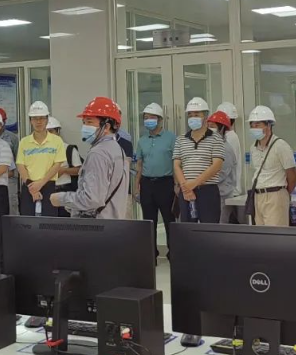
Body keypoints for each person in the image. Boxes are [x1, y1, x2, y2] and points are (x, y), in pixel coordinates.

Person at [51, 97, 129, 219]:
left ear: (106, 127)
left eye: (89, 122)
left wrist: (61, 198)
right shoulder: (118, 150)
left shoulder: (98, 154)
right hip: (113, 223)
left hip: (96, 225)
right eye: (84, 123)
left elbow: (92, 199)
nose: (84, 127)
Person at [135, 103, 176, 261]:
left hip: (166, 183)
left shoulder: (171, 138)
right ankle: (151, 254)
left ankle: (174, 253)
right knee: (149, 221)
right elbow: (139, 165)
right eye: (146, 118)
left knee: (169, 219)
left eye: (152, 117)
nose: (148, 120)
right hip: (147, 183)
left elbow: (176, 162)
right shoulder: (142, 141)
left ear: (160, 119)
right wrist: (137, 186)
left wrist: (177, 185)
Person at [173, 97, 224, 223]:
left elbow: (217, 165)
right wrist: (185, 187)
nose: (192, 118)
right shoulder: (181, 139)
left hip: (207, 191)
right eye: (190, 115)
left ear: (205, 117)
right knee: (187, 230)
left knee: (209, 229)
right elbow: (177, 165)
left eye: (196, 115)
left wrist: (195, 183)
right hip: (186, 191)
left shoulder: (216, 138)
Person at [247, 106, 296, 226]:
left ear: (268, 125)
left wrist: (283, 193)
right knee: (260, 234)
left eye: (258, 125)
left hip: (276, 194)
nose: (254, 128)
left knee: (275, 234)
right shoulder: (253, 147)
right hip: (257, 195)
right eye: (252, 125)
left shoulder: (281, 146)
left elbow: (292, 174)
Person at [16, 101, 66, 216]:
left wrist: (40, 183)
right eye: (35, 118)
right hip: (29, 185)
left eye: (42, 118)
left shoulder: (57, 141)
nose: (38, 122)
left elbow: (57, 165)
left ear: (47, 120)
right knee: (27, 220)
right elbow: (20, 165)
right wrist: (32, 187)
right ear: (30, 121)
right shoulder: (24, 142)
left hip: (49, 185)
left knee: (49, 220)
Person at [46, 116, 81, 217]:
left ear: (58, 131)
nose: (48, 134)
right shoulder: (38, 151)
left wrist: (64, 170)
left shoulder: (69, 149)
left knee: (65, 220)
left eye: (51, 131)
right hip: (47, 190)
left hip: (65, 190)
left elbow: (79, 170)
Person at [207, 111, 238, 222]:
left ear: (222, 128)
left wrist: (199, 179)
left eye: (212, 126)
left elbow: (220, 174)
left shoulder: (225, 149)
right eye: (208, 126)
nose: (209, 129)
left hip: (222, 195)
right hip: (211, 194)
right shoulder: (211, 146)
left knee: (218, 226)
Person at [216, 102, 244, 222]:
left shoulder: (229, 138)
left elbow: (224, 167)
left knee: (221, 223)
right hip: (228, 189)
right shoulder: (229, 137)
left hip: (226, 190)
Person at [0, 107, 20, 215]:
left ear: (4, 122)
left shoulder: (12, 138)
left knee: (12, 206)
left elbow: (18, 158)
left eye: (1, 122)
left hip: (10, 178)